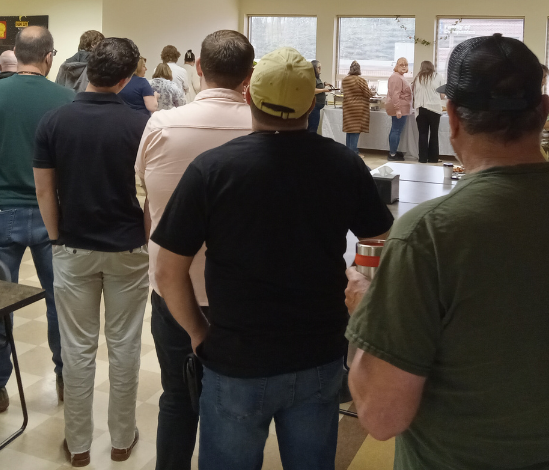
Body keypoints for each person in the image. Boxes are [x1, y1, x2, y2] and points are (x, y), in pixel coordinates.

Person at [344, 34, 549, 470]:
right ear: (544, 110)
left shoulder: (427, 235)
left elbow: (381, 414)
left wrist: (365, 312)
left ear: (451, 115)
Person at [152, 46, 393, 470]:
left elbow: (168, 271)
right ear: (312, 102)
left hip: (235, 359)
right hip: (318, 357)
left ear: (249, 96)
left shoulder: (212, 169)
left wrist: (197, 332)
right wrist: (357, 279)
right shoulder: (343, 164)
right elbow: (380, 238)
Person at [135, 29, 255, 470]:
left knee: (176, 397)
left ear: (199, 69)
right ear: (249, 76)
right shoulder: (263, 127)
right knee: (234, 400)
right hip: (238, 294)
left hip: (173, 290)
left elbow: (149, 202)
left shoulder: (161, 125)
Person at [33, 37, 148, 466]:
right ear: (127, 77)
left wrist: (57, 236)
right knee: (124, 345)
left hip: (73, 247)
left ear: (88, 69)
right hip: (128, 248)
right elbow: (149, 196)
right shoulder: (142, 126)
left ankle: (78, 446)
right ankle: (121, 440)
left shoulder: (54, 120)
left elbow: (44, 188)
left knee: (77, 349)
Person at [0, 26, 74, 413]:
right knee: (61, 302)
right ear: (49, 56)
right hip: (51, 214)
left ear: (15, 55)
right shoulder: (67, 99)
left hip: (0, 210)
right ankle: (67, 383)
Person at [412, 60, 443, 163]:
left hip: (421, 108)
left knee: (422, 134)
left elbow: (414, 93)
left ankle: (422, 158)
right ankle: (433, 158)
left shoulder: (418, 78)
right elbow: (442, 95)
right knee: (434, 134)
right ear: (432, 67)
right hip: (434, 108)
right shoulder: (438, 76)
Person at [340, 60, 371, 154]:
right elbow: (367, 93)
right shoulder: (360, 80)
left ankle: (348, 151)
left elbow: (342, 92)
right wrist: (373, 92)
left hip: (347, 107)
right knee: (355, 130)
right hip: (358, 108)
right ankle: (353, 152)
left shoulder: (345, 80)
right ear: (359, 70)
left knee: (349, 130)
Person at [385, 57, 412, 162]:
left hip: (402, 107)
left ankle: (393, 152)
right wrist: (398, 109)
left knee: (396, 130)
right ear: (396, 66)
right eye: (402, 65)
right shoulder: (396, 77)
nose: (404, 67)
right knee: (396, 130)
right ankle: (392, 154)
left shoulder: (400, 77)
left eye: (406, 65)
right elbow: (395, 95)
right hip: (400, 108)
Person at [308, 60, 333, 134]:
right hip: (314, 106)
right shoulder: (311, 77)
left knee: (314, 126)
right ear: (314, 68)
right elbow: (313, 90)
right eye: (318, 67)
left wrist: (324, 84)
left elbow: (317, 85)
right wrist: (324, 90)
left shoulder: (317, 78)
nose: (320, 69)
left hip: (317, 107)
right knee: (312, 128)